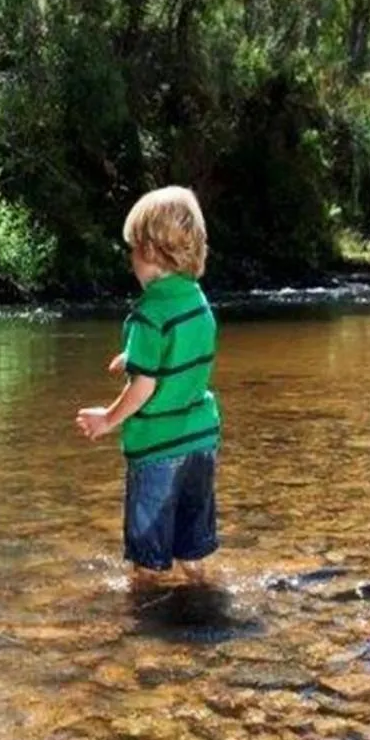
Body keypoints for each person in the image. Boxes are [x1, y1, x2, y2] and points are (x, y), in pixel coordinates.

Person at [75, 186, 222, 583]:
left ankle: (143, 623)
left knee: (148, 555)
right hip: (201, 444)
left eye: (133, 250)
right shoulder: (197, 300)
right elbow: (182, 356)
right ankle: (203, 593)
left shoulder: (148, 313)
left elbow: (144, 388)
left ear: (151, 253)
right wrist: (134, 356)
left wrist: (108, 419)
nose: (130, 261)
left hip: (159, 448)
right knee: (192, 547)